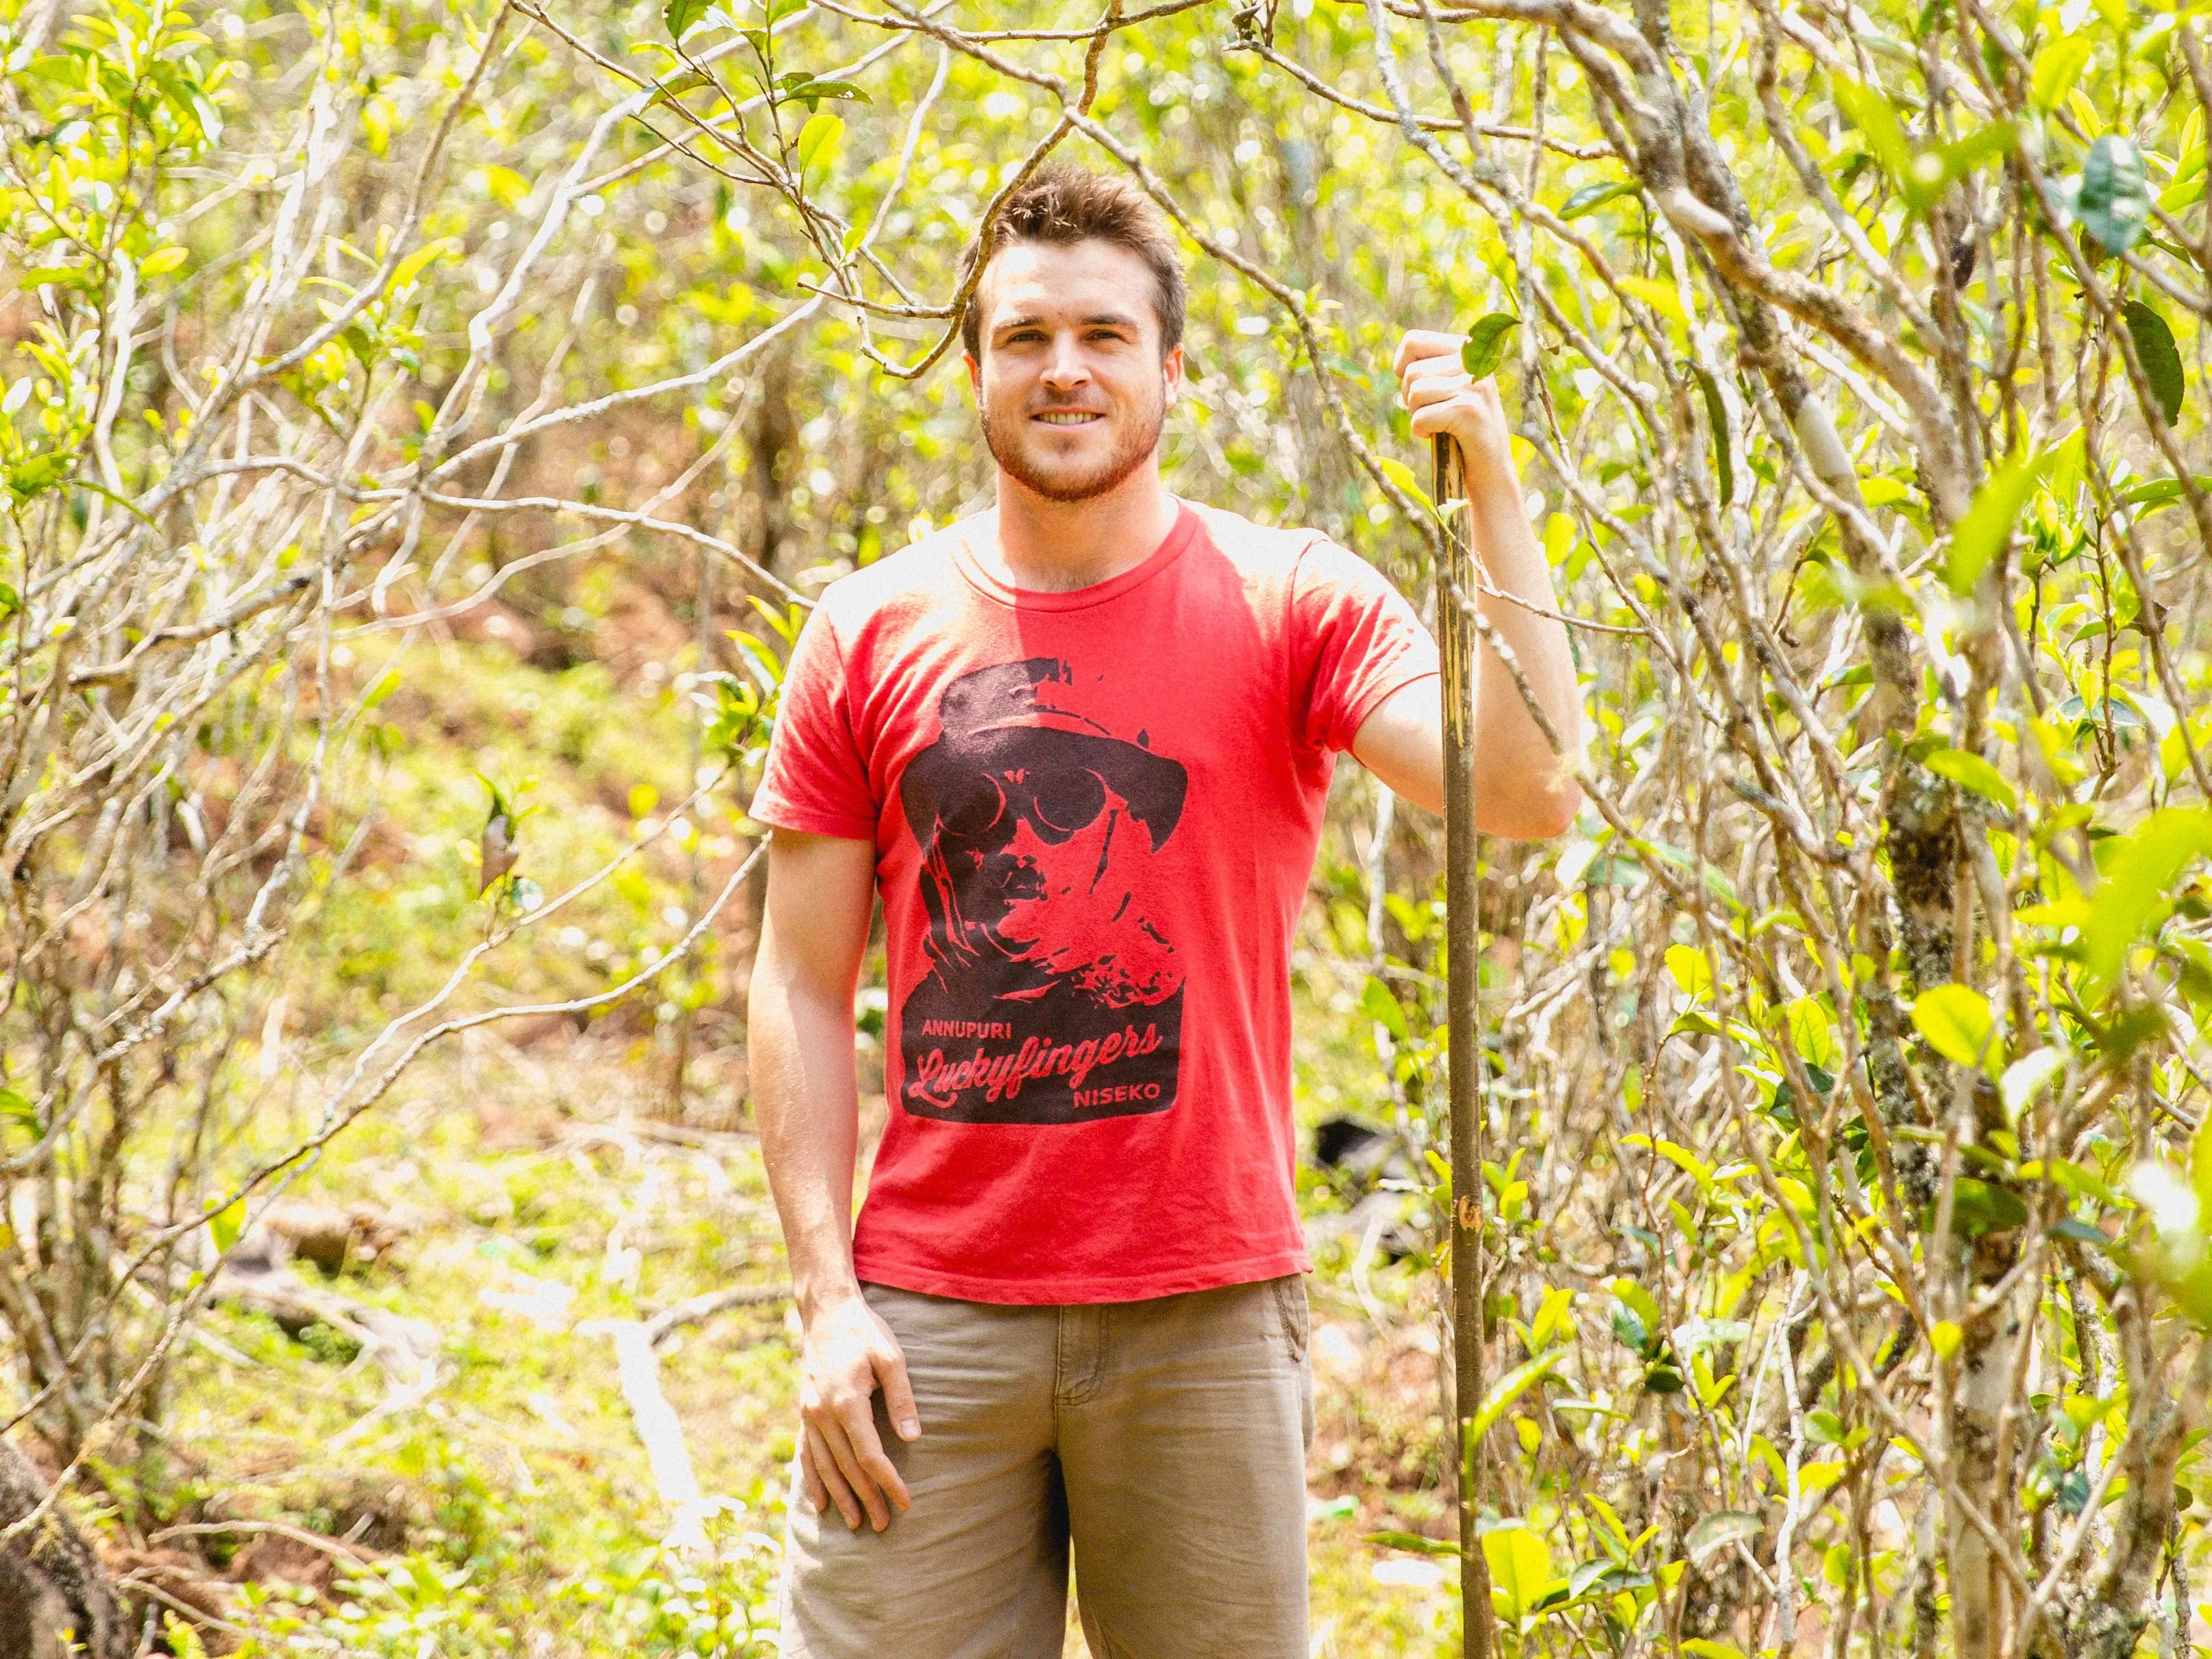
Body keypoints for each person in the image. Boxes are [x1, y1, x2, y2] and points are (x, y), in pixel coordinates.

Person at [746, 161, 1582, 1659]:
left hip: (1203, 1298)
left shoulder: (1294, 601)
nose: (1064, 369)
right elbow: (799, 983)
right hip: (928, 1316)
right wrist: (825, 1302)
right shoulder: (864, 629)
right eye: (1025, 337)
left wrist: (1497, 487)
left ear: (1170, 370)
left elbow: (1523, 788)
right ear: (976, 366)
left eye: (1105, 336)